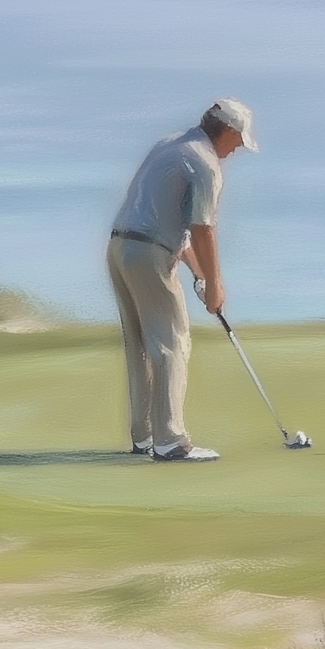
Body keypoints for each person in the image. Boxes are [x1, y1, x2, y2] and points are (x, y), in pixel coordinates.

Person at [107, 98, 257, 463]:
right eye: (238, 141)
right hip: (149, 254)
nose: (236, 149)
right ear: (227, 130)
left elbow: (172, 223)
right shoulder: (206, 164)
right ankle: (170, 441)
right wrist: (216, 285)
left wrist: (200, 275)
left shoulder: (171, 145)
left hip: (120, 248)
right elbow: (202, 228)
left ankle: (144, 436)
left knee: (140, 346)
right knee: (171, 343)